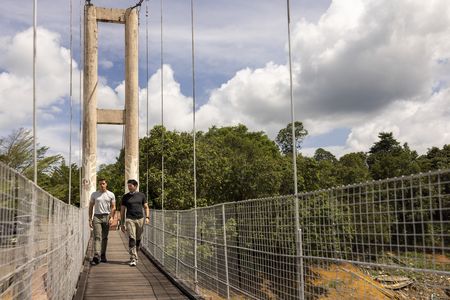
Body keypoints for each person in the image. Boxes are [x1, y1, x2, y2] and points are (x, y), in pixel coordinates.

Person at [120, 179, 150, 266]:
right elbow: (122, 210)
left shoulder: (141, 195)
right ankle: (133, 258)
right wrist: (122, 223)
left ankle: (135, 252)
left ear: (135, 186)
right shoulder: (125, 197)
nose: (129, 187)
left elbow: (146, 207)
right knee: (132, 238)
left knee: (138, 239)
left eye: (130, 186)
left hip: (140, 219)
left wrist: (147, 217)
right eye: (128, 186)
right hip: (130, 219)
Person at [89, 178, 116, 265]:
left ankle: (103, 254)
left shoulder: (111, 194)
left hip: (106, 216)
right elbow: (90, 206)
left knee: (104, 237)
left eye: (103, 183)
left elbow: (113, 207)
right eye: (100, 184)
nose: (102, 185)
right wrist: (90, 218)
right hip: (97, 216)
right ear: (98, 184)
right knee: (97, 236)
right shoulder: (94, 194)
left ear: (106, 184)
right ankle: (96, 255)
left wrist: (112, 217)